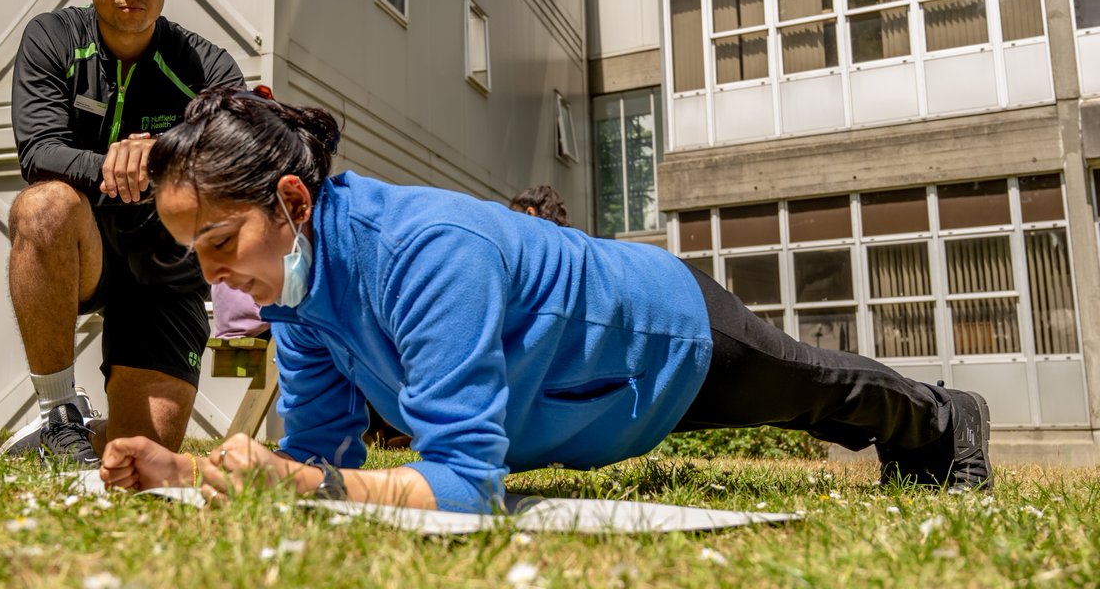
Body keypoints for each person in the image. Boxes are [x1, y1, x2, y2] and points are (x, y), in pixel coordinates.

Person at [99, 87, 992, 512]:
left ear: (291, 205)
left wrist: (304, 479)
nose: (213, 277)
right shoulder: (295, 298)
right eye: (193, 254)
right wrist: (197, 474)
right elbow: (323, 460)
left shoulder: (425, 252)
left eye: (219, 243)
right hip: (584, 399)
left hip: (659, 331)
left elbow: (461, 485)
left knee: (817, 389)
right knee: (808, 393)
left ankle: (949, 419)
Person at [0, 0, 245, 465]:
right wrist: (118, 164)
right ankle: (57, 413)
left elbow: (235, 159)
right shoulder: (52, 37)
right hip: (88, 247)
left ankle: (71, 438)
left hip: (168, 267)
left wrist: (159, 154)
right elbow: (39, 152)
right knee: (43, 206)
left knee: (143, 454)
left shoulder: (207, 65)